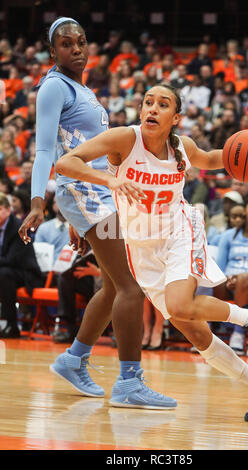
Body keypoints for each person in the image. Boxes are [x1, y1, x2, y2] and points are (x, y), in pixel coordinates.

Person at [55, 83, 248, 422]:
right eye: (148, 102)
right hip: (141, 247)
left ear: (175, 117)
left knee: (179, 305)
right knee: (193, 328)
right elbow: (65, 163)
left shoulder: (182, 148)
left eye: (162, 104)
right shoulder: (123, 139)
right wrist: (110, 180)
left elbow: (218, 158)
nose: (152, 108)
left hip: (179, 232)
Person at [18, 17, 176, 410]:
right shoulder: (54, 86)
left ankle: (74, 359)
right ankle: (129, 382)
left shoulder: (80, 88)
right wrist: (39, 201)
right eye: (66, 44)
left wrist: (76, 218)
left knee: (112, 286)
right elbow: (43, 152)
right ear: (52, 51)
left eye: (81, 42)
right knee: (129, 286)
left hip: (95, 193)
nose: (76, 49)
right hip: (84, 191)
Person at [214, 192, 248, 355]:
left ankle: (238, 334)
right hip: (228, 283)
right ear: (245, 211)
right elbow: (219, 267)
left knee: (244, 279)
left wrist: (243, 279)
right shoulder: (228, 236)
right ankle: (206, 332)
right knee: (207, 279)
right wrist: (227, 279)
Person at [0, 193, 42, 338]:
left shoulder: (18, 226)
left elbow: (12, 259)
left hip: (25, 273)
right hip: (6, 270)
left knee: (4, 274)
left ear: (7, 209)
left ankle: (11, 325)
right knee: (4, 273)